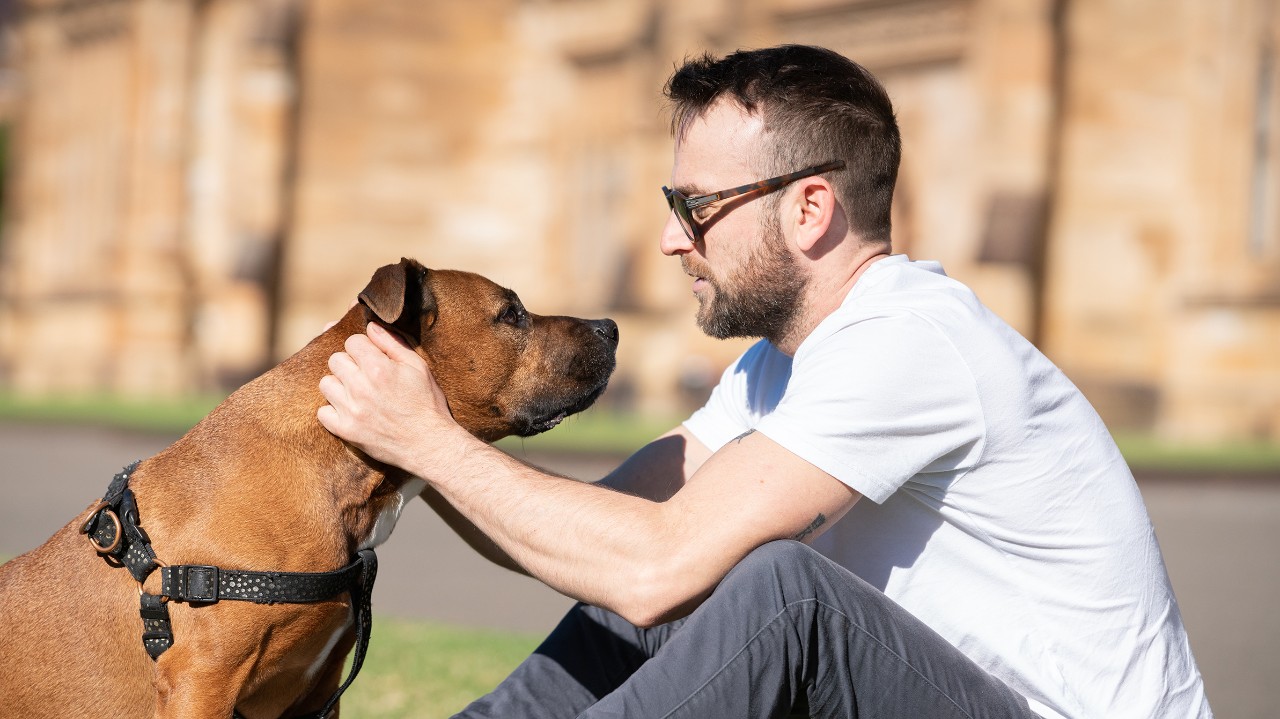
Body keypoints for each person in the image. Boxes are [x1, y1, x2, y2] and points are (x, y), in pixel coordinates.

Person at [317, 45, 1210, 718]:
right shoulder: (774, 367)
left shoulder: (910, 342)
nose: (673, 241)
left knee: (780, 593)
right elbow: (604, 548)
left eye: (696, 208)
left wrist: (426, 438)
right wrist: (417, 441)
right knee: (689, 579)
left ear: (810, 208)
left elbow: (654, 565)